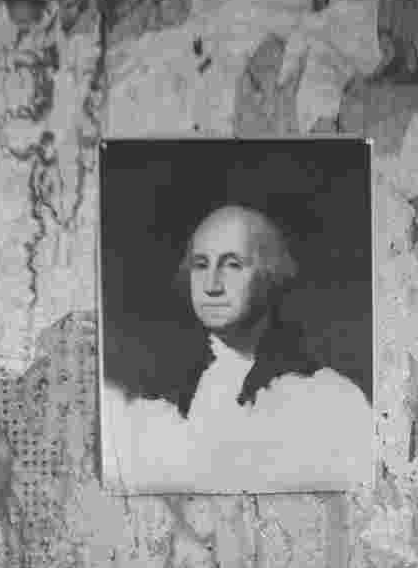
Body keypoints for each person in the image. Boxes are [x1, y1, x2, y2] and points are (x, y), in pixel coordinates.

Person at [101, 204, 373, 493]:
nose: (212, 285)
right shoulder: (151, 398)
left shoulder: (328, 400)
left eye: (232, 265)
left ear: (270, 273)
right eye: (201, 265)